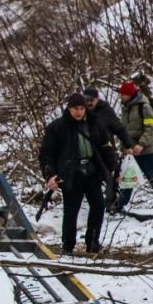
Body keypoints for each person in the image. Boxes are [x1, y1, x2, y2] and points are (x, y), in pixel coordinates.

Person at [38, 92, 112, 256]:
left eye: (81, 108)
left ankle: (92, 243)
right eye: (75, 109)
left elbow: (105, 147)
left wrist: (113, 169)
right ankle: (68, 246)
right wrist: (50, 174)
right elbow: (46, 154)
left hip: (92, 171)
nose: (78, 112)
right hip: (71, 173)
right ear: (69, 109)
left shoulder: (94, 123)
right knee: (71, 211)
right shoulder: (58, 127)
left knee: (98, 207)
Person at [114, 80, 153, 212]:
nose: (120, 96)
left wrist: (141, 144)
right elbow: (124, 130)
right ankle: (119, 205)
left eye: (123, 94)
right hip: (130, 151)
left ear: (129, 94)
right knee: (128, 178)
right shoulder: (125, 108)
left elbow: (151, 128)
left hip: (146, 150)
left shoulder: (144, 107)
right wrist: (125, 147)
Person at [82, 86, 133, 209]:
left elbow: (119, 128)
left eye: (92, 100)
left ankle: (110, 203)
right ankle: (96, 204)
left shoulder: (105, 111)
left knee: (108, 177)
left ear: (97, 99)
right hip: (87, 151)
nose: (89, 103)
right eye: (87, 100)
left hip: (105, 150)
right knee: (91, 179)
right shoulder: (81, 111)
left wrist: (128, 145)